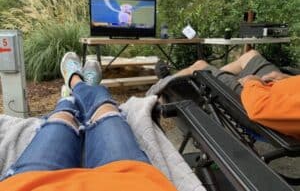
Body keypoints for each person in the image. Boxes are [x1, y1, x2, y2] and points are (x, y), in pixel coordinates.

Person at [0, 52, 177, 191]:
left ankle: (72, 90)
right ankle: (84, 87)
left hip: (32, 183)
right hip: (131, 181)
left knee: (61, 118)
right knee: (107, 110)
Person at [154, 50, 300, 139]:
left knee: (199, 66)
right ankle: (202, 82)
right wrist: (289, 78)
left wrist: (251, 82)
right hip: (280, 89)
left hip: (256, 100)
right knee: (250, 55)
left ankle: (160, 90)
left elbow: (261, 108)